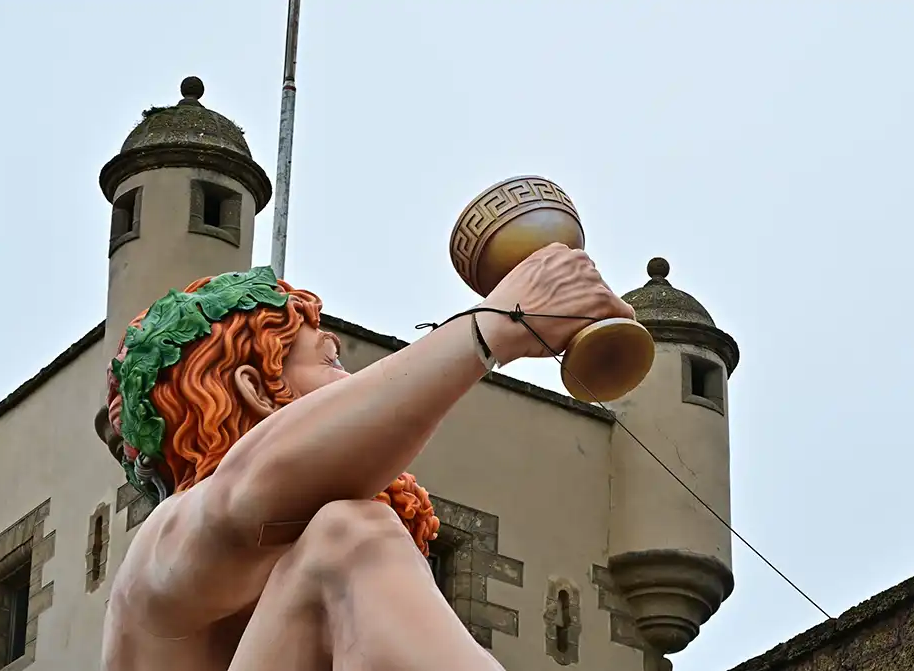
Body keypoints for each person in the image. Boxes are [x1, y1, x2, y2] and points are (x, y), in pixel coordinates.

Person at [100, 243, 635, 671]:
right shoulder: (163, 542)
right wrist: (490, 327)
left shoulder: (285, 568)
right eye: (331, 362)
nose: (355, 384)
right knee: (346, 533)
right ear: (255, 389)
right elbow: (249, 489)